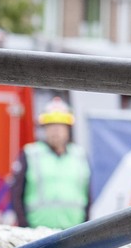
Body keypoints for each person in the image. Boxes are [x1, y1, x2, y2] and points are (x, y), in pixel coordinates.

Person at [10, 98, 88, 230]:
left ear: (68, 128)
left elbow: (87, 195)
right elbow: (16, 194)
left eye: (60, 126)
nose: (55, 130)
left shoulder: (80, 156)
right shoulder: (30, 154)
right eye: (51, 126)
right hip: (36, 232)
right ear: (44, 128)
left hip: (74, 232)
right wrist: (25, 227)